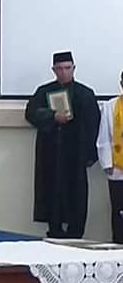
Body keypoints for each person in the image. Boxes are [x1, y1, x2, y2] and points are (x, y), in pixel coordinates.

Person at [24, 51, 100, 239]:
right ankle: (54, 233)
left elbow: (94, 124)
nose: (64, 72)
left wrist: (90, 155)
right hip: (51, 154)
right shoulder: (43, 92)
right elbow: (31, 113)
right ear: (53, 70)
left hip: (76, 155)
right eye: (59, 69)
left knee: (76, 196)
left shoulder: (85, 94)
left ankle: (75, 236)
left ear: (74, 68)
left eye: (67, 68)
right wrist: (52, 116)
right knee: (52, 194)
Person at [97, 70, 123, 243]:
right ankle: (119, 245)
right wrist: (107, 163)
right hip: (117, 169)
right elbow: (104, 136)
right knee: (118, 211)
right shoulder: (110, 106)